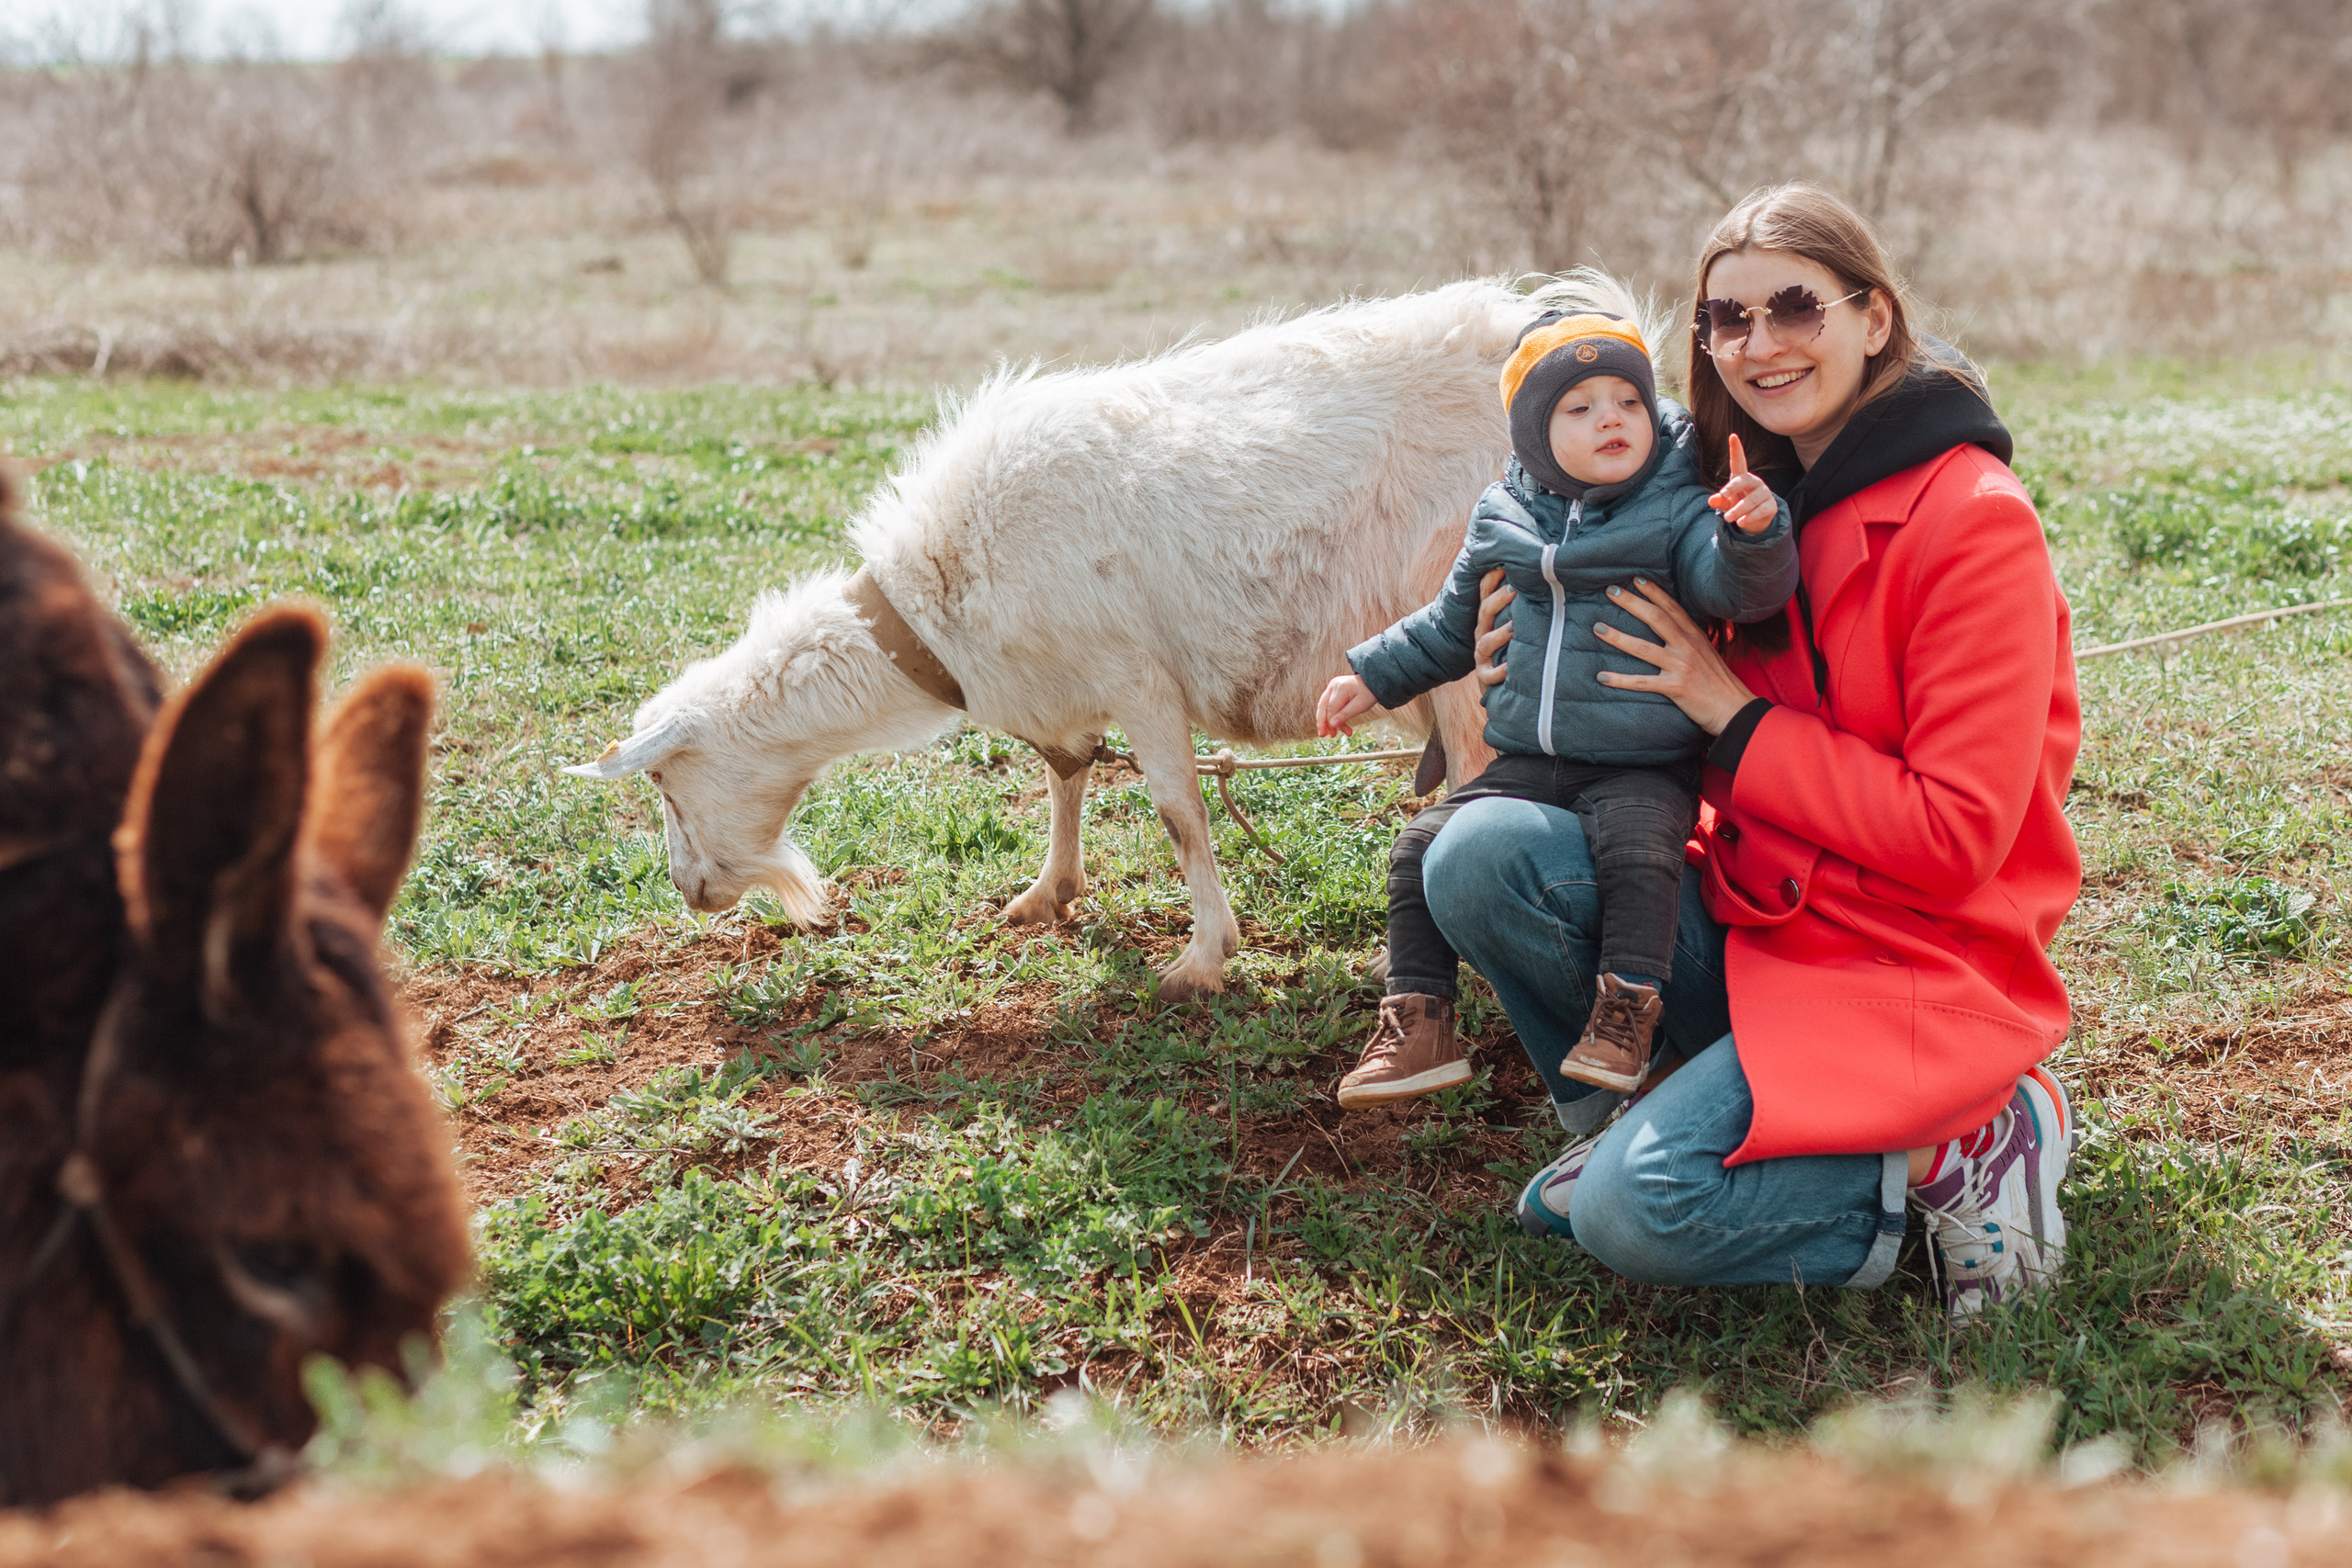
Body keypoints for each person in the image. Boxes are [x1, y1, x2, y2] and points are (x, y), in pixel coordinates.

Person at [1419, 184, 2084, 1320]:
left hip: (1907, 962)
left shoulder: (1973, 518)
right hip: (1754, 917)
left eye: (1795, 308)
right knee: (1476, 854)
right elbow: (1638, 700)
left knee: (1634, 1215)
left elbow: (1956, 837)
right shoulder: (1724, 499)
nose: (1760, 345)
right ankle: (1661, 1107)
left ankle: (1969, 1144)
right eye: (1726, 320)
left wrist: (1736, 716)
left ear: (1873, 317)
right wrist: (1524, 658)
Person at [1317, 310, 1793, 1111]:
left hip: (1641, 757)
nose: (1611, 417)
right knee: (1417, 848)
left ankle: (1629, 1012)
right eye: (1580, 407)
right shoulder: (1501, 513)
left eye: (1627, 401)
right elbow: (1452, 623)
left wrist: (1754, 534)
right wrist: (1373, 673)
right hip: (1530, 762)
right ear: (1535, 434)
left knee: (1640, 853)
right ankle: (1419, 1023)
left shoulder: (1676, 508)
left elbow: (1730, 590)